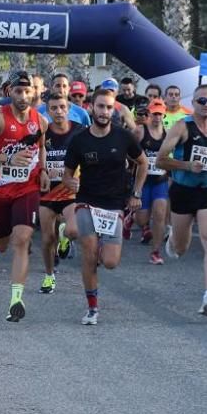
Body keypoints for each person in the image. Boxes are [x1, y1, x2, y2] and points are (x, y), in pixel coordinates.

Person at [64, 88, 147, 325]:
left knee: (110, 262)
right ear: (92, 107)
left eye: (109, 107)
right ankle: (92, 308)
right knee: (89, 255)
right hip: (87, 201)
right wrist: (72, 182)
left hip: (114, 204)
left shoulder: (123, 137)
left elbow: (142, 163)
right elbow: (68, 175)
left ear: (114, 110)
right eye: (100, 106)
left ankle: (100, 249)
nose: (104, 112)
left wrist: (136, 193)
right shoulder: (79, 140)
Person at [0, 71, 50, 322]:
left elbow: (40, 149)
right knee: (2, 243)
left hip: (27, 188)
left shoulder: (40, 121)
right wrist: (8, 158)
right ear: (10, 92)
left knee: (23, 238)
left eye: (28, 91)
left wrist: (44, 171)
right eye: (19, 91)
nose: (23, 96)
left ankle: (16, 298)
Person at [157, 84, 207, 317]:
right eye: (202, 101)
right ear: (194, 103)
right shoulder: (183, 127)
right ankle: (173, 239)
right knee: (181, 249)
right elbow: (161, 160)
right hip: (183, 190)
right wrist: (187, 165)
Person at [38, 93, 85, 293]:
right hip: (46, 193)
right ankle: (49, 276)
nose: (58, 112)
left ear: (68, 109)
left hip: (69, 191)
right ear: (48, 111)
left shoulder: (80, 132)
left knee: (73, 230)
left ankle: (64, 235)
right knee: (48, 239)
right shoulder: (43, 132)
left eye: (62, 107)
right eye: (54, 108)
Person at [133, 99, 170, 264]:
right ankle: (132, 219)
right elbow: (128, 151)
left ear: (164, 115)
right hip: (143, 180)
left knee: (160, 214)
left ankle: (155, 252)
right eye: (154, 114)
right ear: (148, 114)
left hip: (160, 180)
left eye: (159, 114)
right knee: (141, 219)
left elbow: (170, 157)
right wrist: (139, 162)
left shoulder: (168, 134)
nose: (156, 118)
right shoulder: (140, 131)